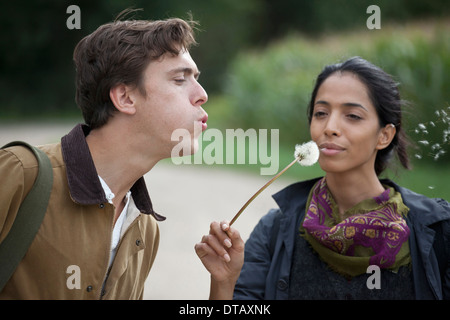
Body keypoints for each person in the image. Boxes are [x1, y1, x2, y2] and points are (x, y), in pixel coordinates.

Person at [0, 16, 243, 300]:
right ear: (125, 97)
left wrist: (223, 286)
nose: (202, 95)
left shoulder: (143, 229)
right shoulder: (20, 174)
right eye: (180, 79)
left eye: (196, 80)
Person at [233, 56, 450, 300]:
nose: (330, 127)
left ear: (384, 135)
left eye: (353, 116)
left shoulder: (439, 231)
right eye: (321, 113)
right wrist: (222, 281)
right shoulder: (274, 231)